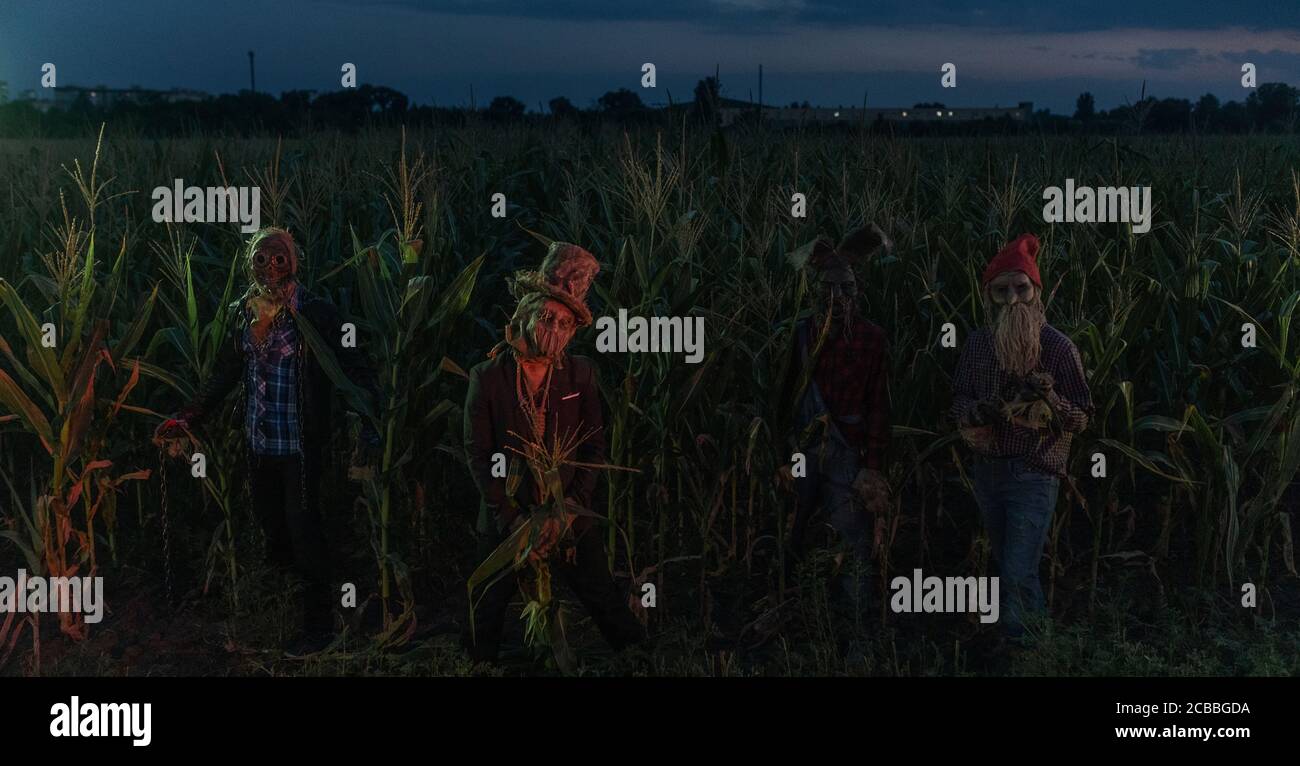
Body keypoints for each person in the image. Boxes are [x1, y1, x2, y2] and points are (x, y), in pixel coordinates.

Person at [153, 227, 380, 653]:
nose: (269, 267)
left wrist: (370, 420)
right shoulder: (243, 312)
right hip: (260, 446)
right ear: (249, 264)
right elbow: (224, 372)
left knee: (305, 532)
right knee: (273, 530)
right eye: (260, 258)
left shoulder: (317, 313)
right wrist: (189, 416)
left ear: (293, 263)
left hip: (300, 448)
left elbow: (353, 368)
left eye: (278, 258)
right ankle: (281, 612)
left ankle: (319, 628)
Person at [461, 241, 645, 663]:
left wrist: (572, 507)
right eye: (546, 317)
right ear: (524, 315)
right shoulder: (487, 377)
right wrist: (513, 519)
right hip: (509, 511)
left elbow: (594, 445)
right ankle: (475, 664)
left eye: (565, 323)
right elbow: (479, 453)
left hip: (568, 512)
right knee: (486, 600)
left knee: (600, 592)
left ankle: (637, 658)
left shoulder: (581, 374)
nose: (554, 329)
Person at [950, 233, 1093, 639]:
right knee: (1013, 570)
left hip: (1033, 475)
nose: (1012, 299)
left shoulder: (1057, 348)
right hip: (988, 473)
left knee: (1016, 573)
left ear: (1036, 291)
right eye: (1001, 291)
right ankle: (1037, 649)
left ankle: (1018, 650)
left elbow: (1082, 418)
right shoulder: (978, 345)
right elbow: (959, 396)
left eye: (1021, 288)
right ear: (988, 296)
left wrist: (1049, 396)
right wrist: (974, 413)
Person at [780, 224, 892, 601]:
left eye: (846, 287)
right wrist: (782, 457)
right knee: (793, 526)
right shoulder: (800, 335)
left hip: (848, 454)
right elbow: (784, 400)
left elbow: (879, 405)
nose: (838, 296)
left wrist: (871, 466)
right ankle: (791, 606)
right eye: (828, 287)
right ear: (815, 291)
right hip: (804, 450)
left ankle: (856, 624)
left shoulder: (871, 338)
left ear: (857, 291)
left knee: (852, 536)